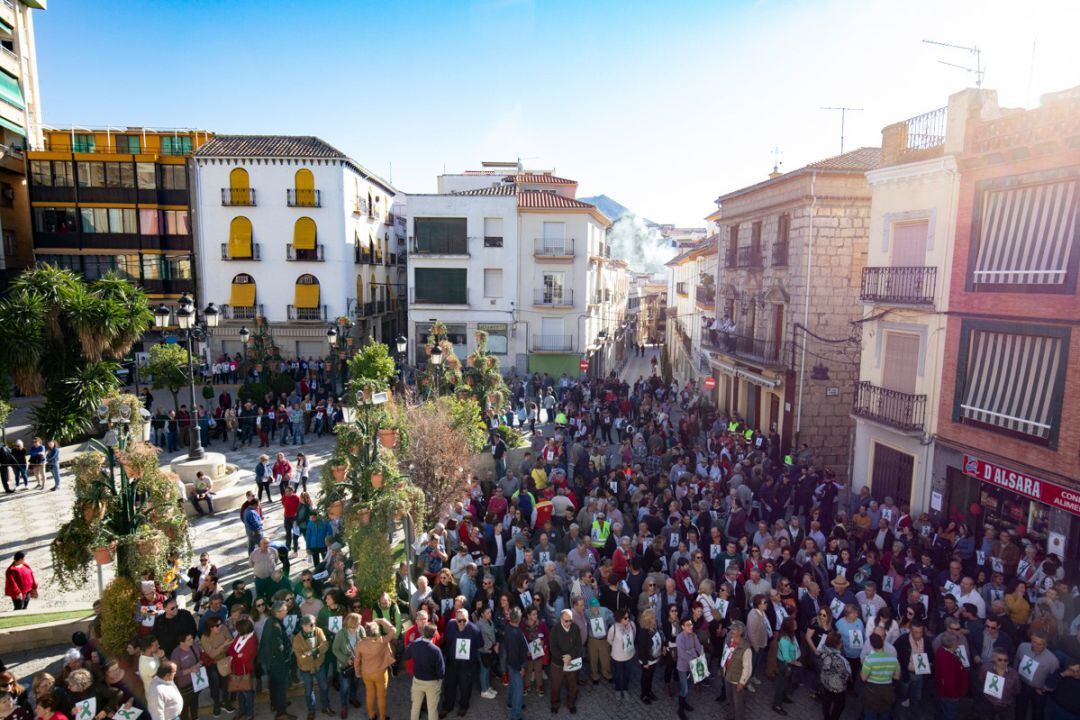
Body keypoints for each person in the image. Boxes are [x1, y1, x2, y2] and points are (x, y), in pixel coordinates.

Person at [258, 601, 295, 720]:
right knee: (281, 687)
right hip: (277, 662)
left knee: (273, 685)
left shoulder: (270, 621)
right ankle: (281, 713)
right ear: (278, 612)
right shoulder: (275, 626)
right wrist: (285, 659)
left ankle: (275, 704)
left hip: (269, 661)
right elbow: (279, 647)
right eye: (285, 610)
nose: (287, 611)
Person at [355, 618, 396, 720]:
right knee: (381, 696)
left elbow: (357, 660)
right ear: (376, 631)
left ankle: (372, 716)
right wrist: (382, 620)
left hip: (366, 673)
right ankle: (382, 717)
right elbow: (393, 630)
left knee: (369, 694)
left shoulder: (360, 643)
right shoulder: (381, 641)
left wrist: (357, 672)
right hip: (380, 673)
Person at [292, 615, 331, 720]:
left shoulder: (318, 631)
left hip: (319, 665)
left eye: (314, 624)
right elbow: (301, 658)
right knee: (309, 691)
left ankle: (325, 707)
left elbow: (325, 645)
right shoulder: (297, 639)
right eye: (311, 625)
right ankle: (311, 710)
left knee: (324, 687)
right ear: (304, 626)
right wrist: (317, 653)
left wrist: (312, 652)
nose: (314, 626)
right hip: (306, 669)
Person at [404, 623, 444, 720]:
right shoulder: (436, 650)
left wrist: (410, 642)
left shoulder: (414, 645)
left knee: (415, 707)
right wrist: (439, 681)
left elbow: (406, 656)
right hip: (432, 682)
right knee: (432, 709)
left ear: (423, 633)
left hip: (417, 680)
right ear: (434, 635)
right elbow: (441, 671)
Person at [548, 608, 583, 715]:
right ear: (561, 619)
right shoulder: (555, 629)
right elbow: (552, 647)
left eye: (570, 621)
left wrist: (570, 656)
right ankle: (555, 704)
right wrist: (564, 657)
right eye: (565, 621)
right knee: (556, 686)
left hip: (572, 663)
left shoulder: (575, 628)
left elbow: (578, 644)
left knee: (573, 686)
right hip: (558, 664)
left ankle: (571, 703)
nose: (568, 623)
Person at [860, 633, 900, 720]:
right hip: (888, 690)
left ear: (872, 645)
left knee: (870, 714)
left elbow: (863, 678)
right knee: (885, 714)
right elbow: (897, 677)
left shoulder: (869, 659)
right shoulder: (894, 659)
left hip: (872, 691)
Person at [976, 648, 1020, 720]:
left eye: (1005, 660)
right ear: (994, 659)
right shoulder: (985, 669)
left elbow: (1017, 690)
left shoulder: (1014, 675)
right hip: (989, 702)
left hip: (1006, 705)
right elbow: (981, 680)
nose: (1003, 662)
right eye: (1000, 660)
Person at [502, 607, 528, 720]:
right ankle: (515, 716)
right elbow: (515, 653)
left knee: (513, 684)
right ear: (519, 619)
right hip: (516, 665)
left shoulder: (508, 628)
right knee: (518, 690)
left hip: (510, 663)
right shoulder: (516, 633)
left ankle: (510, 703)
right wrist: (521, 667)